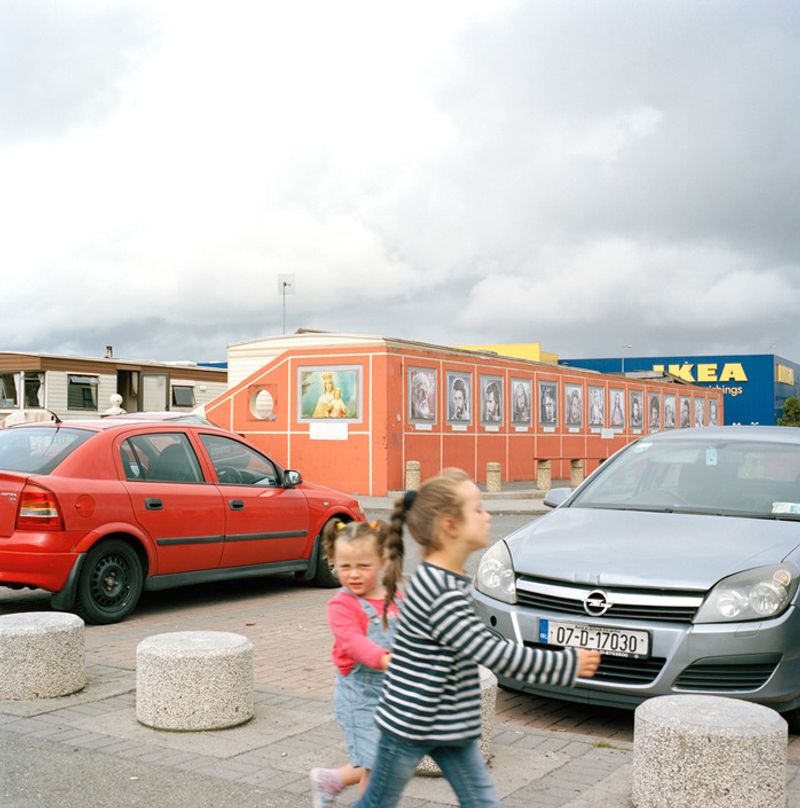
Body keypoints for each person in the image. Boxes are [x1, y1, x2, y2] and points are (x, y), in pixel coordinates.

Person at [352, 469, 601, 808]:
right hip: (410, 725)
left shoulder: (447, 581)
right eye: (478, 509)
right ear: (450, 525)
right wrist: (567, 663)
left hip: (449, 723)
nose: (488, 516)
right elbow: (493, 652)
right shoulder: (441, 591)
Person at [309, 519, 402, 807]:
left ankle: (331, 780)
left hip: (391, 695)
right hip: (359, 698)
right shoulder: (341, 605)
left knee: (384, 760)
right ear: (333, 563)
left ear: (382, 561)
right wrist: (384, 658)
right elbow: (352, 641)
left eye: (363, 566)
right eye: (345, 566)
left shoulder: (393, 596)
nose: (354, 574)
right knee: (376, 766)